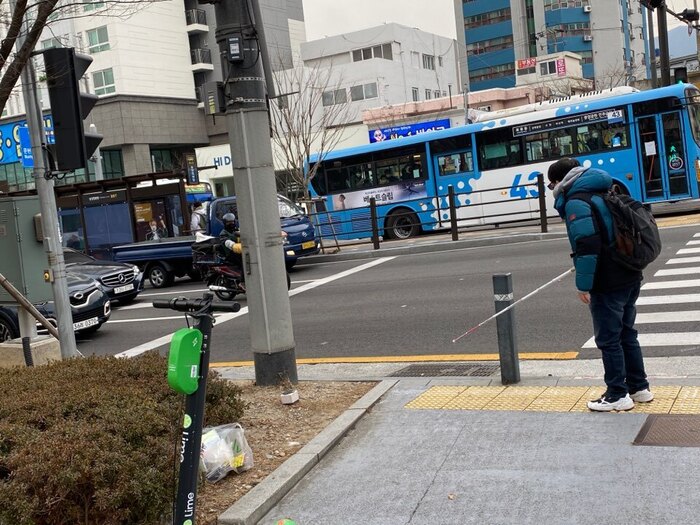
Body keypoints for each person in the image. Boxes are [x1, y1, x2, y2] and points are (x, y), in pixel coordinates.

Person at [547, 157, 652, 412]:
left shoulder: (577, 201)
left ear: (561, 180)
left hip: (609, 279)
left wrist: (584, 285)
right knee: (627, 333)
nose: (553, 190)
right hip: (629, 271)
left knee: (608, 339)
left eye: (552, 185)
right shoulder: (604, 189)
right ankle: (639, 388)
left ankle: (617, 394)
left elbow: (587, 244)